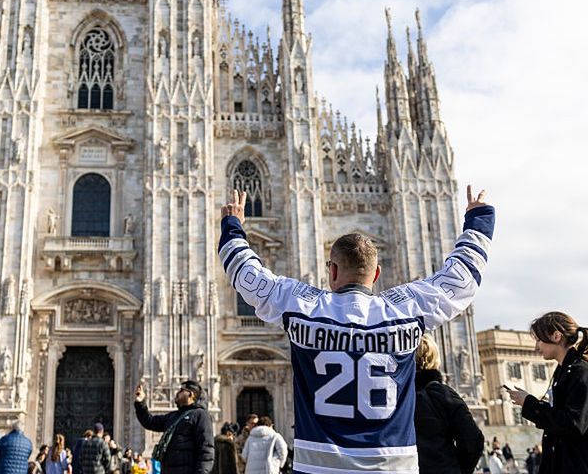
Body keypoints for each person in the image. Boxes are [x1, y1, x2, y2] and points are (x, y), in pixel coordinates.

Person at [217, 186, 494, 474]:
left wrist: (233, 226)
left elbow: (246, 274)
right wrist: (479, 219)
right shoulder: (405, 311)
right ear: (376, 275)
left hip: (319, 469)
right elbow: (461, 279)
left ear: (332, 271)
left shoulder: (304, 307)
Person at [507, 311, 588, 473]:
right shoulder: (565, 371)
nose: (536, 347)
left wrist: (529, 403)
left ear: (556, 336)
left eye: (538, 340)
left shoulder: (581, 371)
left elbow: (573, 424)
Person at [413, 334, 483, 474]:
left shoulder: (393, 396)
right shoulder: (441, 395)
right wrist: (456, 469)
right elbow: (473, 441)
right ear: (435, 359)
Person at [134, 380, 214, 474]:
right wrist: (140, 403)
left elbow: (206, 449)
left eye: (181, 390)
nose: (177, 393)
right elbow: (150, 422)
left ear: (191, 394)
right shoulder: (173, 416)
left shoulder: (200, 415)